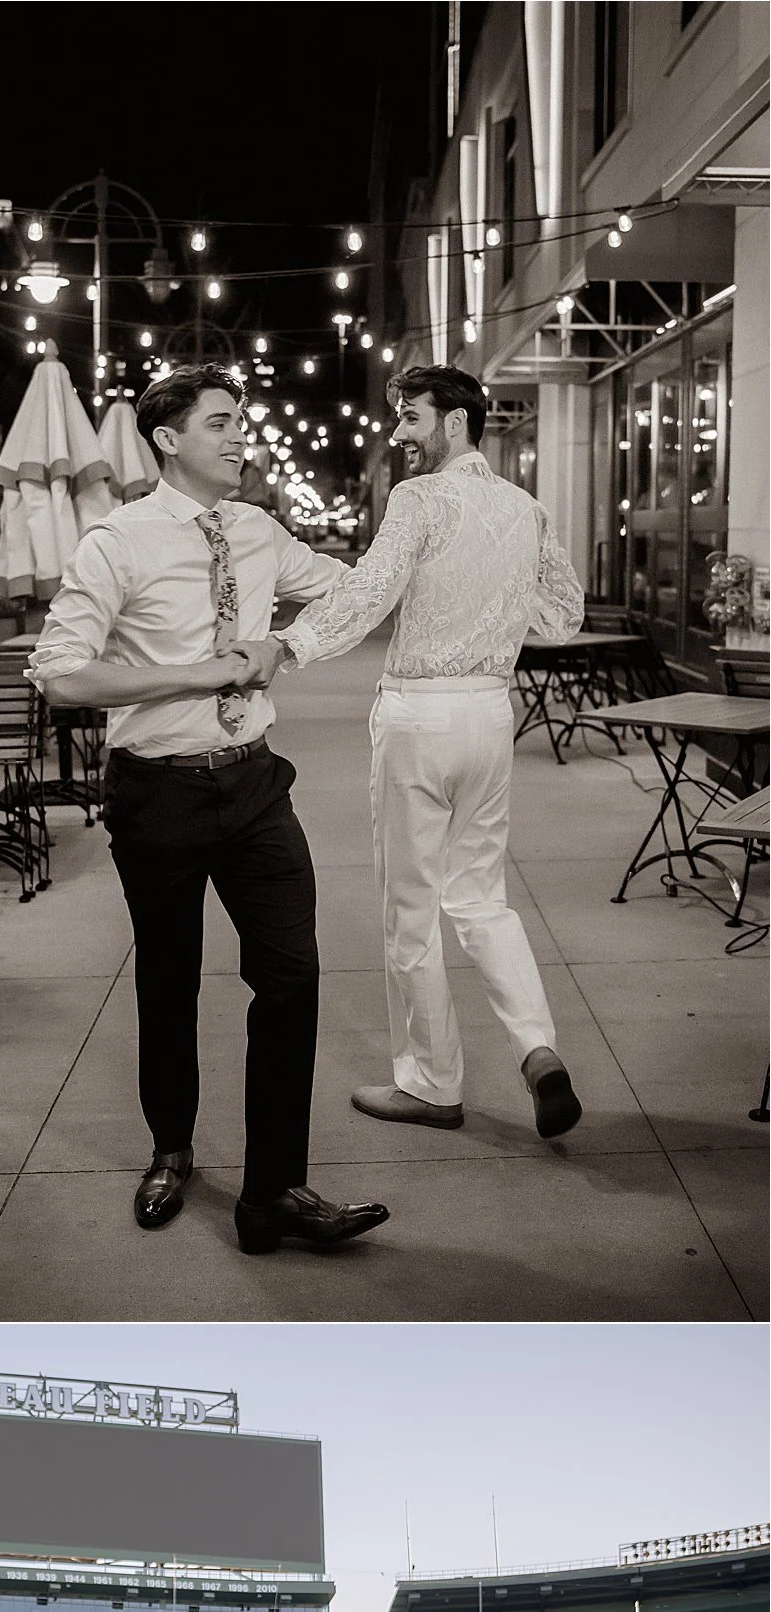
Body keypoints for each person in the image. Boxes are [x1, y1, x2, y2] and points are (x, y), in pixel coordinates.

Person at [30, 365, 390, 1255]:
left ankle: (271, 1192)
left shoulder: (260, 531)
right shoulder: (114, 543)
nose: (240, 437)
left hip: (257, 782)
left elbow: (351, 588)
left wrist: (280, 643)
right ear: (167, 438)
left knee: (293, 979)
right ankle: (171, 1149)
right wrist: (202, 671)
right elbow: (61, 672)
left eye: (241, 422)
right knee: (169, 981)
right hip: (159, 794)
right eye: (222, 422)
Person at [239, 365, 586, 1139]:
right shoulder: (525, 508)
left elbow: (368, 593)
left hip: (419, 717)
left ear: (455, 422)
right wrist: (488, 607)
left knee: (411, 910)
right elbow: (563, 617)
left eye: (409, 417)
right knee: (481, 897)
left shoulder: (418, 499)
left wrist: (285, 645)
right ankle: (536, 1047)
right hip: (489, 717)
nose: (397, 435)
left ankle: (430, 1083)